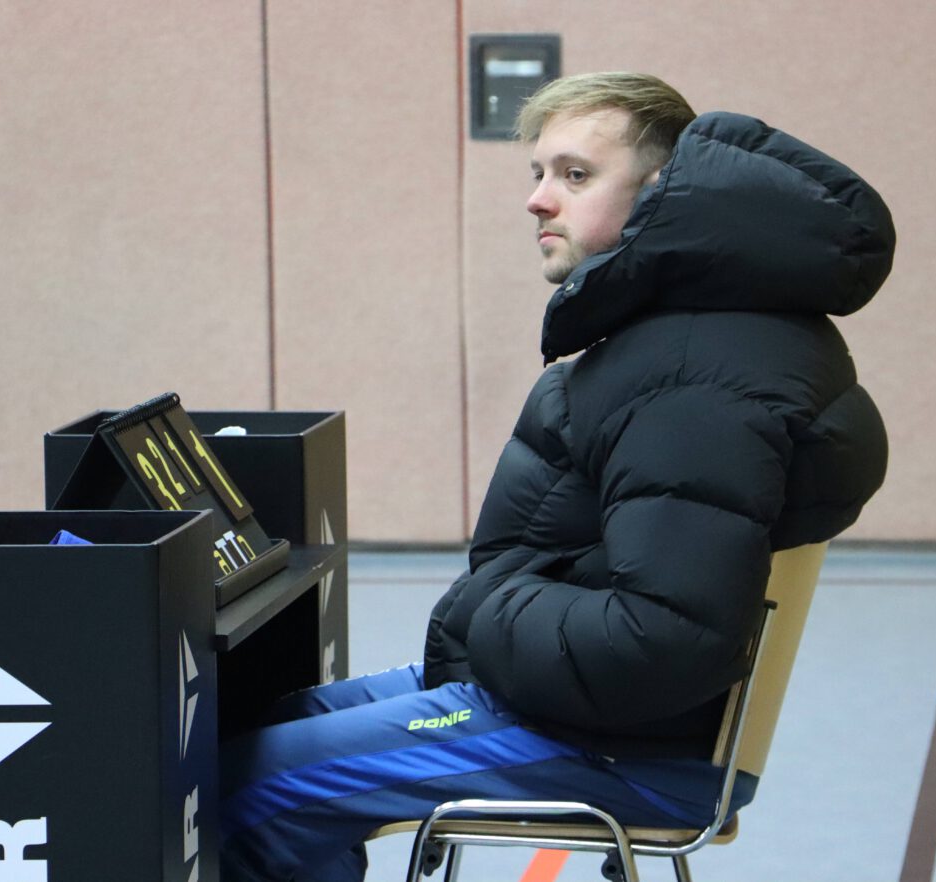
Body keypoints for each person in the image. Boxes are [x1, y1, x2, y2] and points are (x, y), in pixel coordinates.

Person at [219, 72, 894, 882]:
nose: (538, 200)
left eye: (575, 175)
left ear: (661, 194)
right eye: (539, 173)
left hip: (627, 747)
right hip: (600, 710)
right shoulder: (697, 339)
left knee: (258, 784)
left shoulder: (692, 384)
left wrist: (489, 606)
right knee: (257, 732)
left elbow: (661, 637)